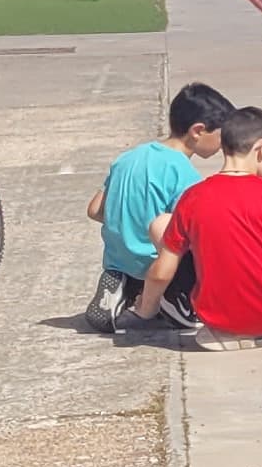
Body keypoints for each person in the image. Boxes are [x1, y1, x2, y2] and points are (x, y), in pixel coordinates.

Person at [135, 106, 262, 342]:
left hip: (214, 317)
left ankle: (224, 328)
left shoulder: (192, 198)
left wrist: (147, 310)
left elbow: (161, 272)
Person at [88, 83, 233, 328]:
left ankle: (124, 284)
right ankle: (178, 299)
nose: (223, 144)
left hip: (118, 258)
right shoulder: (183, 173)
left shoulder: (127, 158)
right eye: (221, 135)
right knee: (207, 238)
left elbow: (94, 210)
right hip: (158, 265)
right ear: (198, 131)